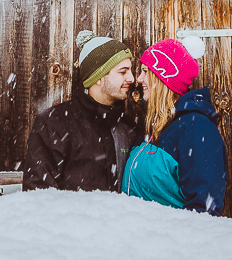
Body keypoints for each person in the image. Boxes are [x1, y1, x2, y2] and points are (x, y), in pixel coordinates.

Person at [23, 30, 144, 192]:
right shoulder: (55, 123)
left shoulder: (126, 127)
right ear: (98, 77)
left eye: (130, 71)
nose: (131, 78)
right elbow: (38, 191)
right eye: (123, 72)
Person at [120, 37, 227, 215]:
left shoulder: (196, 128)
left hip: (166, 239)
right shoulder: (155, 125)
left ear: (163, 79)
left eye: (146, 71)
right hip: (138, 237)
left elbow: (205, 208)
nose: (139, 79)